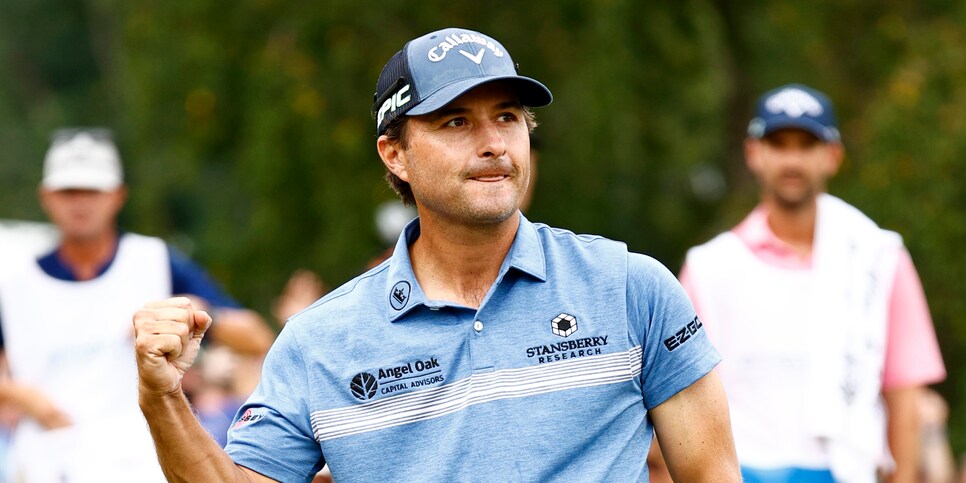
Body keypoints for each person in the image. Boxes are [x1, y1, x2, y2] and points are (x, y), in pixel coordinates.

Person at [133, 27, 740, 482]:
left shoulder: (631, 287)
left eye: (507, 117)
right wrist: (162, 397)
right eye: (455, 123)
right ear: (394, 154)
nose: (493, 143)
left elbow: (712, 475)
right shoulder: (320, 341)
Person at [675, 84, 946, 482]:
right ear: (753, 153)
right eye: (779, 144)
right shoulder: (709, 266)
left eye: (807, 145)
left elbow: (904, 391)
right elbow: (683, 394)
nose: (792, 160)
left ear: (832, 156)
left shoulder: (878, 257)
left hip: (848, 472)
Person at [0, 128, 275, 482]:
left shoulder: (154, 261)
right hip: (45, 463)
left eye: (92, 191)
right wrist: (20, 395)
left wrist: (198, 315)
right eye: (69, 191)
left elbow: (257, 337)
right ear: (47, 197)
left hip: (139, 463)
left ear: (117, 196)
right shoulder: (15, 282)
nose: (80, 203)